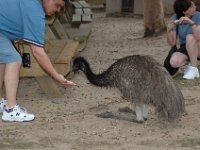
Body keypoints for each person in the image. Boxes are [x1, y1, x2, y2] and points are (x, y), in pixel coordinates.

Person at [0, 0, 76, 122]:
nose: (58, 10)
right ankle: (10, 110)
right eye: (57, 5)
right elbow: (38, 53)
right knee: (13, 59)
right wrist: (56, 75)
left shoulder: (33, 4)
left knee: (3, 59)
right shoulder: (36, 11)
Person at [166, 0, 200, 79]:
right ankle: (190, 64)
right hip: (186, 47)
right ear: (184, 11)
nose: (195, 7)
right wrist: (168, 30)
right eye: (192, 6)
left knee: (190, 37)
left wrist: (191, 23)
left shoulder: (198, 15)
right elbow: (172, 43)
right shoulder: (175, 18)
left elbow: (198, 36)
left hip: (198, 45)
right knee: (174, 62)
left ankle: (194, 68)